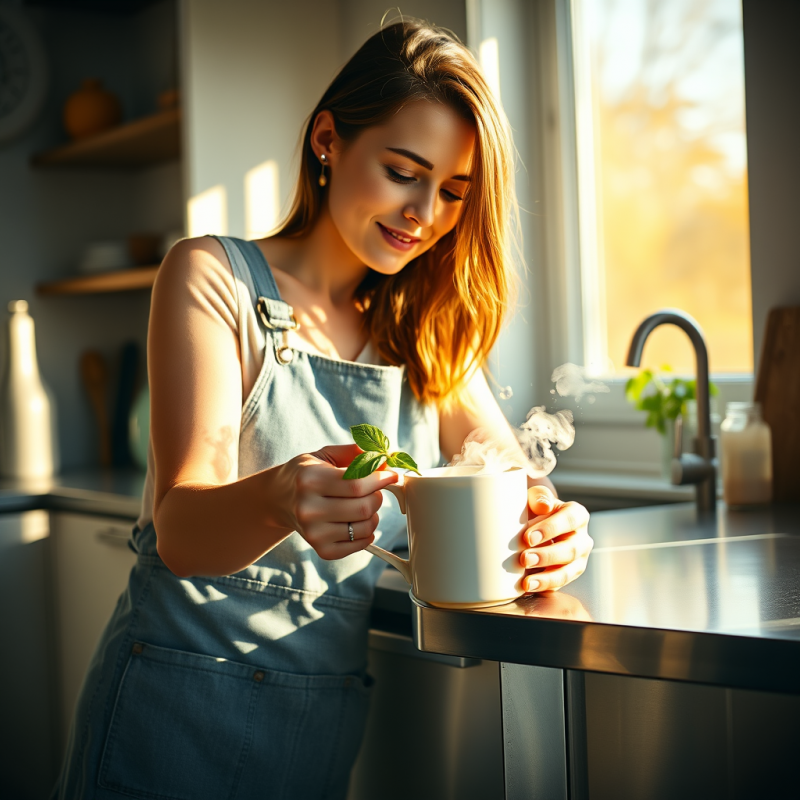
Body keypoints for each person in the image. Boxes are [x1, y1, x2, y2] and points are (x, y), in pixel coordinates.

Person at [53, 19, 592, 800]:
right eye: (404, 171)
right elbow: (180, 527)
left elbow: (512, 484)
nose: (424, 214)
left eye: (452, 193)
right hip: (168, 715)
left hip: (317, 727)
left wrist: (554, 534)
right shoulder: (213, 277)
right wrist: (280, 494)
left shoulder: (426, 331)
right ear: (329, 140)